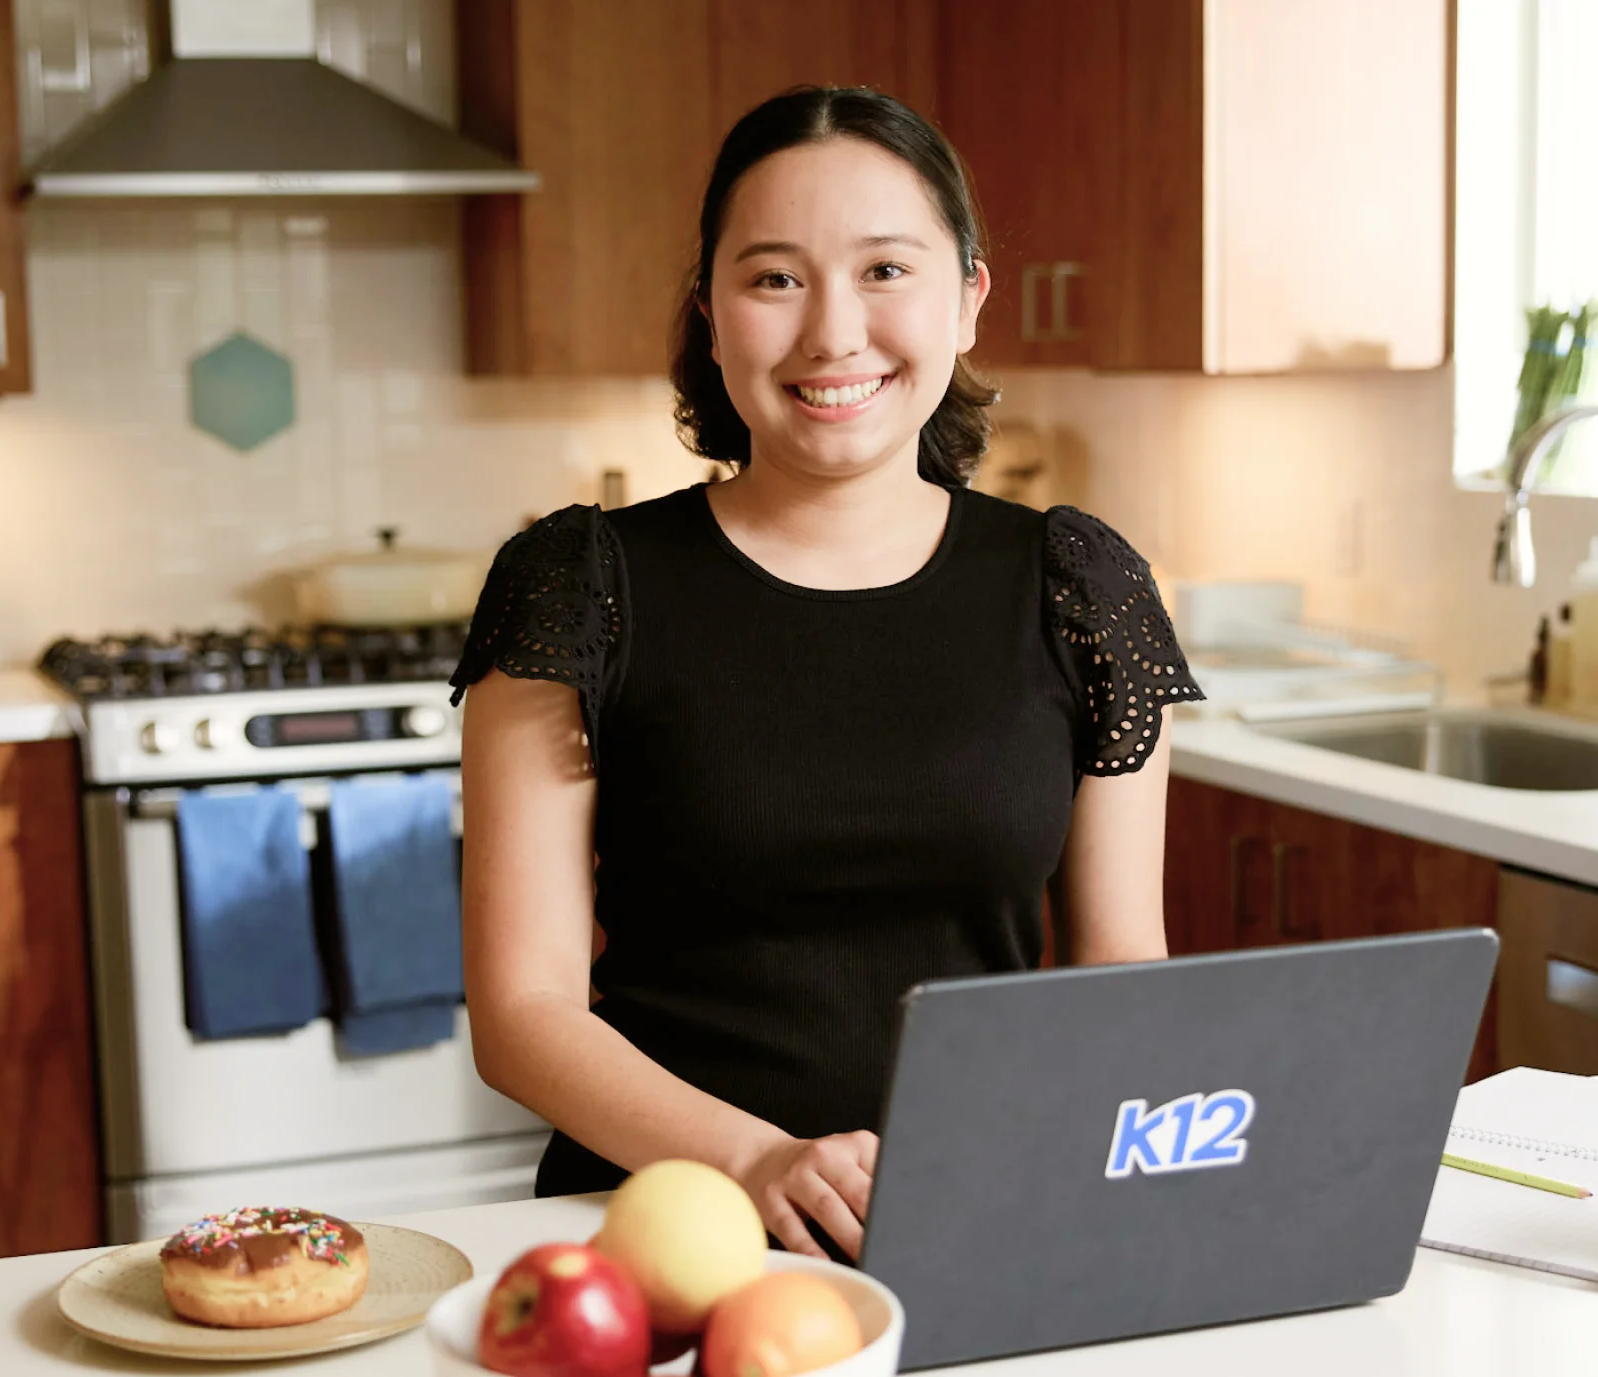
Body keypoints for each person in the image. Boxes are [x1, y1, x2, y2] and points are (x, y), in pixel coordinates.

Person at [451, 86, 1203, 1262]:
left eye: (886, 271)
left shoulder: (1079, 584)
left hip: (978, 1219)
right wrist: (755, 1162)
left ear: (968, 301)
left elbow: (1120, 981)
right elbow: (522, 1013)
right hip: (664, 1229)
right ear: (708, 313)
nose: (832, 333)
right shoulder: (576, 583)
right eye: (774, 278)